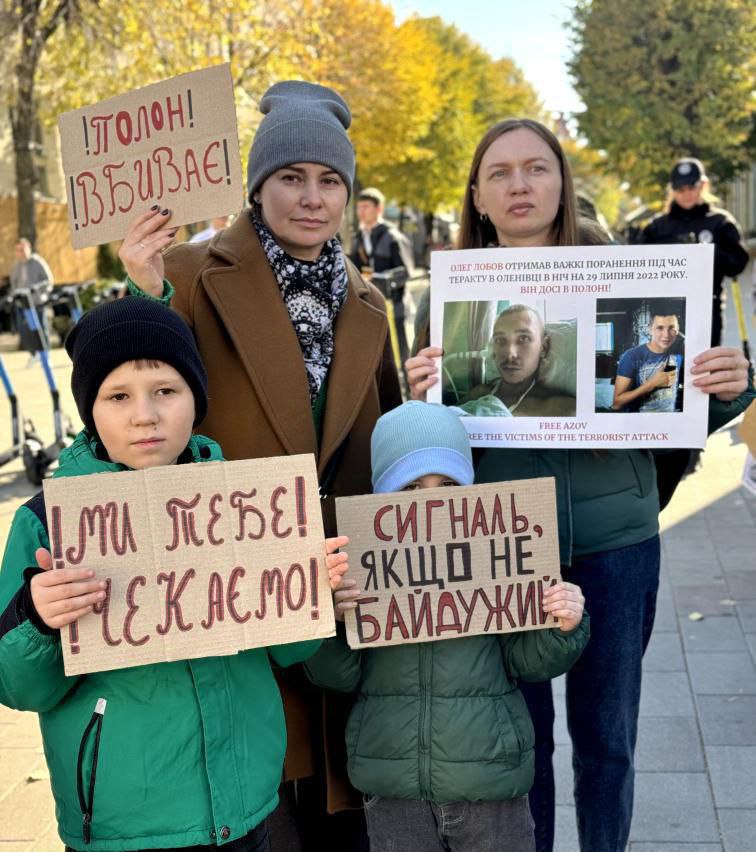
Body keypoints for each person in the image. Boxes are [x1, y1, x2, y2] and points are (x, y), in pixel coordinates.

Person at [405, 118, 753, 852]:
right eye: (500, 172)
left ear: (562, 181)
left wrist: (725, 387)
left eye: (536, 167)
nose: (519, 184)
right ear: (477, 193)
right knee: (521, 745)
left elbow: (676, 404)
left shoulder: (629, 274)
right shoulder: (451, 297)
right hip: (501, 545)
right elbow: (421, 445)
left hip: (615, 547)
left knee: (609, 739)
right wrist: (414, 398)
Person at [119, 81, 401, 852]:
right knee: (260, 812)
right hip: (232, 589)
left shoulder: (371, 305)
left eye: (330, 181)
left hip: (341, 597)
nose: (311, 198)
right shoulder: (184, 273)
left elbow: (390, 449)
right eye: (291, 177)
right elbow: (126, 419)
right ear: (257, 184)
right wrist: (140, 297)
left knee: (341, 811)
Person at [0, 297, 323, 851]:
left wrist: (311, 589)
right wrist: (39, 618)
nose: (144, 414)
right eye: (118, 396)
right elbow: (17, 687)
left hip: (245, 806)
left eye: (165, 392)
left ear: (195, 399)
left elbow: (291, 652)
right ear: (90, 410)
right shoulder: (47, 522)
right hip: (124, 822)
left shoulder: (243, 505)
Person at [306, 401, 589, 852]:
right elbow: (337, 675)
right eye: (410, 487)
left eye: (447, 484)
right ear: (382, 499)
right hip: (393, 784)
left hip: (489, 780)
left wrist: (562, 624)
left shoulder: (497, 562)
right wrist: (327, 621)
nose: (430, 501)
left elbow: (529, 661)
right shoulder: (362, 572)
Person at [641, 158, 749, 347]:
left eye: (692, 187)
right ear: (672, 190)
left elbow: (738, 264)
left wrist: (707, 252)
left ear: (703, 185)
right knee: (670, 368)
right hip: (665, 310)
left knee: (705, 367)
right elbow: (638, 267)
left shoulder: (720, 222)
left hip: (707, 307)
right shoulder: (657, 226)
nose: (686, 194)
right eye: (680, 189)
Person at [459, 304, 576, 417]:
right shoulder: (478, 394)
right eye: (500, 340)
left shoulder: (561, 409)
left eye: (523, 338)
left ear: (543, 348)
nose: (510, 353)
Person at [349, 187, 414, 367]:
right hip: (369, 307)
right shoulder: (358, 238)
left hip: (394, 306)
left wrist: (375, 279)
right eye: (359, 207)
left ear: (379, 209)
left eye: (366, 207)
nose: (361, 212)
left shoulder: (393, 237)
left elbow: (404, 273)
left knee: (400, 356)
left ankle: (406, 392)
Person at [612, 310, 683, 412]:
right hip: (639, 423)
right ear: (650, 330)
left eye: (671, 328)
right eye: (660, 328)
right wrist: (651, 384)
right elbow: (616, 404)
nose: (666, 335)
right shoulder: (631, 356)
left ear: (677, 330)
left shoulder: (680, 353)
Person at [9, 237, 53, 358]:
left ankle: (46, 355)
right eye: (18, 250)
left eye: (23, 249)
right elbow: (14, 285)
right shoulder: (16, 266)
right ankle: (34, 354)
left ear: (29, 248)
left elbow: (48, 281)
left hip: (38, 303)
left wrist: (43, 295)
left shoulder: (38, 262)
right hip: (23, 305)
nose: (20, 253)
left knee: (41, 329)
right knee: (25, 331)